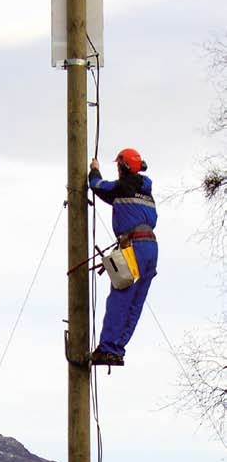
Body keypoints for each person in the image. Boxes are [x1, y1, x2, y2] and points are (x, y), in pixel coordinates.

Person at [89, 147, 158, 366]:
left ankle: (108, 349)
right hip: (151, 249)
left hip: (134, 247)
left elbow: (98, 186)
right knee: (134, 303)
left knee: (120, 298)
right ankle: (117, 350)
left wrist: (94, 170)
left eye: (119, 165)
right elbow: (116, 199)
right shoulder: (144, 191)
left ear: (123, 167)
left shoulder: (123, 187)